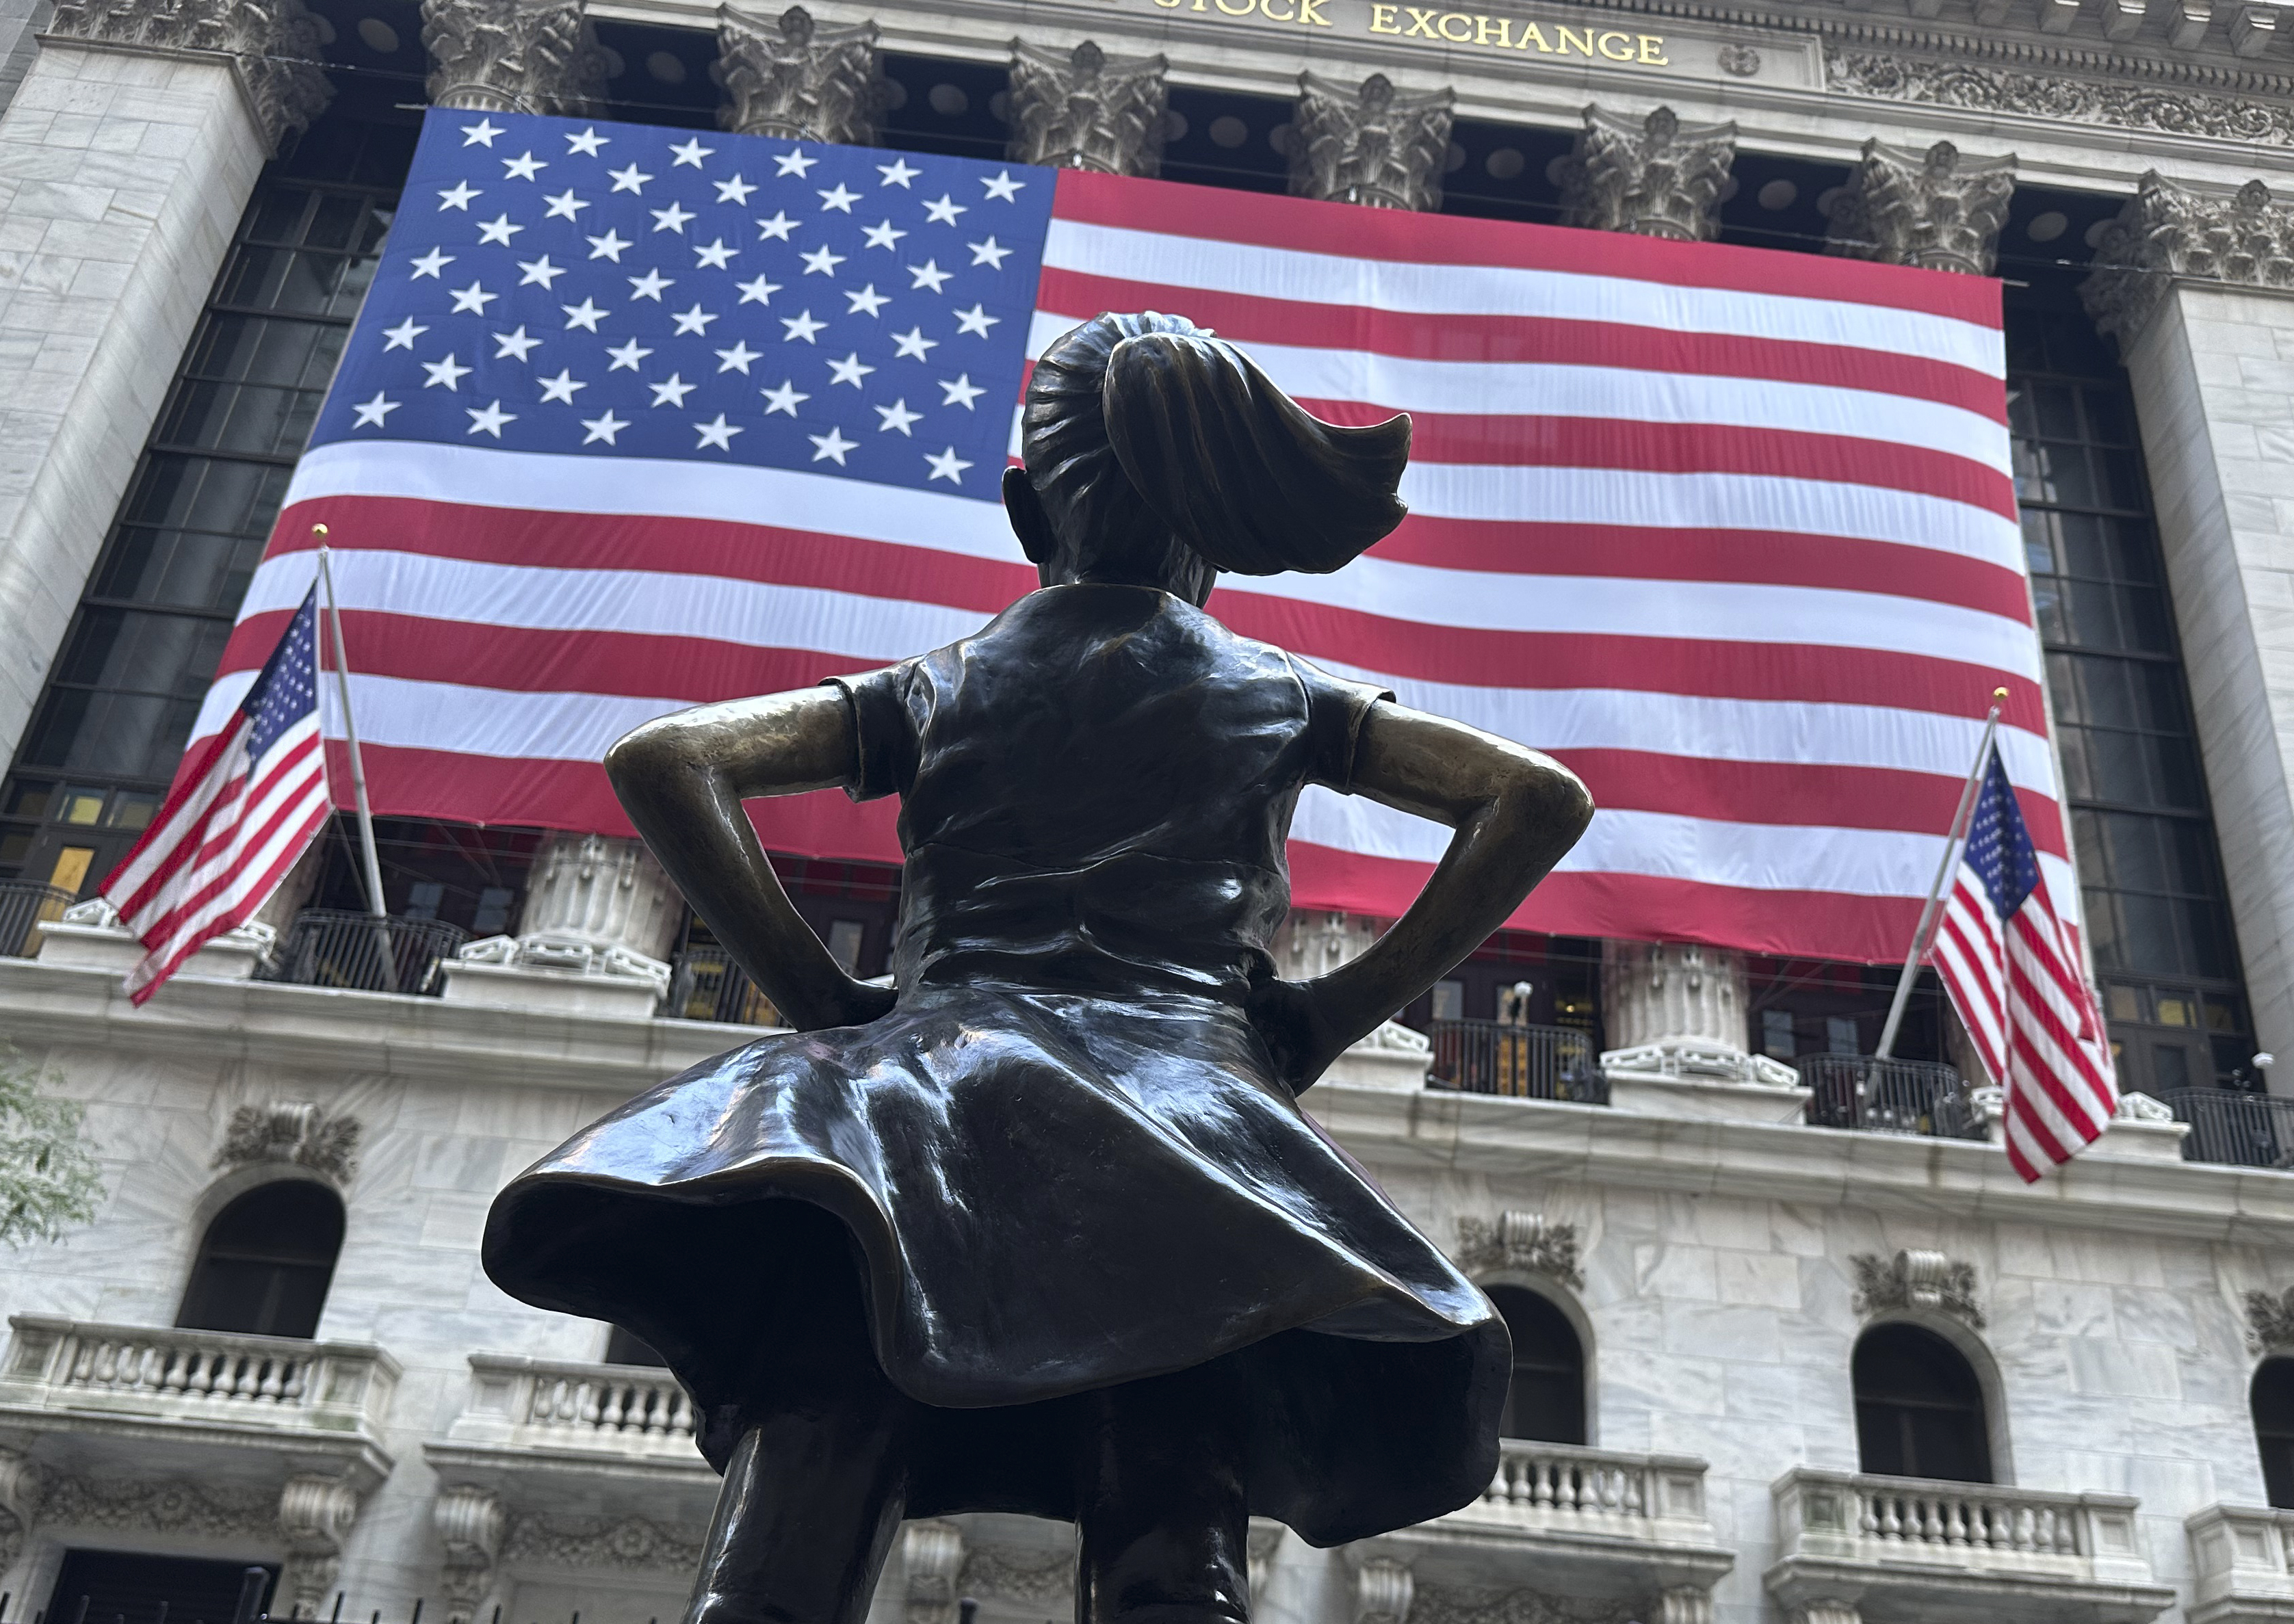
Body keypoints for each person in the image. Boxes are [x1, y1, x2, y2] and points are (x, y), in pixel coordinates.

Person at [482, 312, 1594, 1624]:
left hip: (917, 1112)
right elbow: (1532, 799)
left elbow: (668, 760)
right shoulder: (1284, 692)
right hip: (1183, 1128)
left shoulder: (942, 684)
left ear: (1025, 507)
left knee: (794, 1528)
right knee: (1171, 1562)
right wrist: (1329, 1014)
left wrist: (829, 1004)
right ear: (1218, 528)